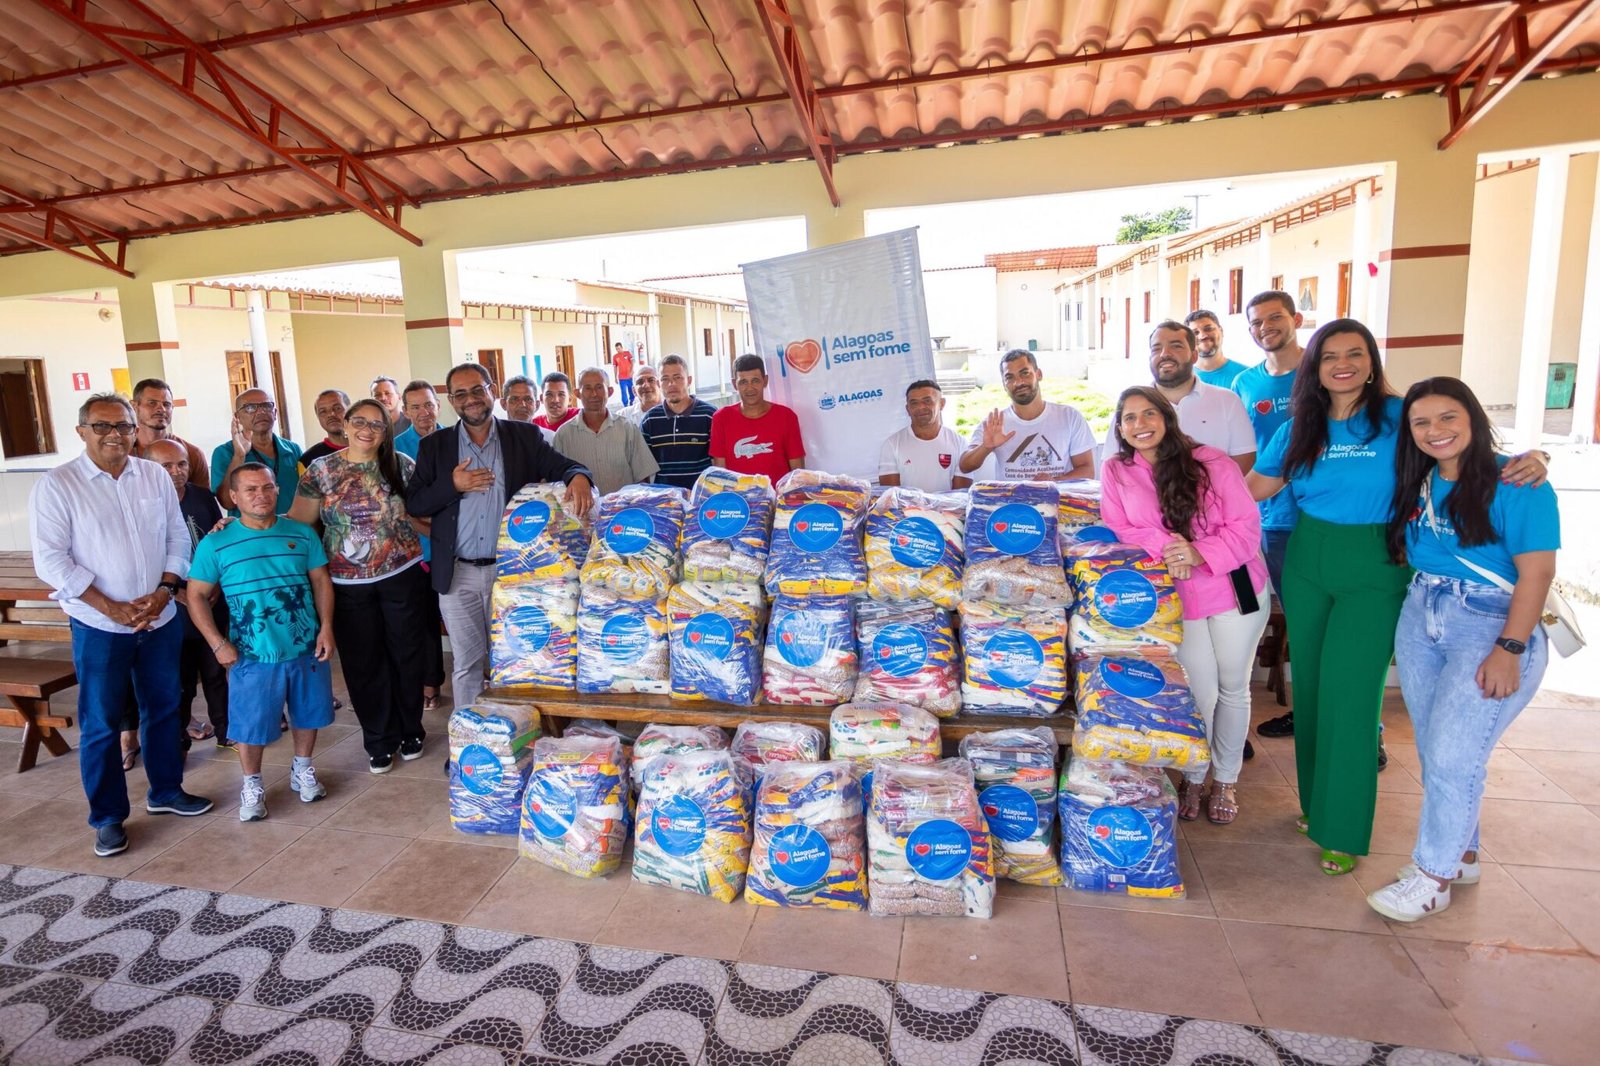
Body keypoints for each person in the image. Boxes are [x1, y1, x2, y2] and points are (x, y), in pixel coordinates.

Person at [1247, 319, 1546, 875]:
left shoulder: (1396, 415)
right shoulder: (1299, 426)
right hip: (1308, 557)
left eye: (1354, 353)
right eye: (1330, 355)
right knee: (1310, 688)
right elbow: (1251, 491)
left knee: (1352, 695)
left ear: (1370, 360)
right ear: (1313, 365)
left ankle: (1345, 829)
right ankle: (1317, 807)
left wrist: (1527, 460)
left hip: (1378, 561)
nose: (1342, 364)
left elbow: (1453, 446)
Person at [1367, 378, 1559, 922]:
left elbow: (1538, 572)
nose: (1436, 431)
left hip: (1489, 622)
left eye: (1449, 417)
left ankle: (1432, 878)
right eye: (1422, 422)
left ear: (1473, 417)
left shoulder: (1517, 483)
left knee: (1455, 755)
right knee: (1436, 750)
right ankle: (1462, 853)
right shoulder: (1419, 481)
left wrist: (1510, 647)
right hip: (1422, 610)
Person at [30, 394, 212, 859]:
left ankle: (166, 791)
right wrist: (108, 606)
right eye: (102, 425)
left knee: (165, 707)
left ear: (135, 431)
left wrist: (165, 590)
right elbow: (51, 560)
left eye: (123, 426)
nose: (114, 434)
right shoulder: (58, 485)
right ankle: (108, 818)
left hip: (159, 618)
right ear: (81, 431)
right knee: (101, 722)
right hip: (98, 625)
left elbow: (177, 536)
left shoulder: (153, 475)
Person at [1101, 387, 1270, 824]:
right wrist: (1168, 545)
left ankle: (1226, 779)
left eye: (1149, 414)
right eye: (1129, 417)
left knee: (1234, 686)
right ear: (1119, 428)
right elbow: (1120, 525)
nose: (1140, 424)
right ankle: (1195, 775)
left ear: (1167, 418)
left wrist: (1198, 551)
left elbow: (1247, 527)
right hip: (1178, 596)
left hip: (1236, 586)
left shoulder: (1211, 461)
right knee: (1200, 691)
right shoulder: (1117, 471)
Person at [406, 363, 595, 711]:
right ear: (451, 401)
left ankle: (514, 740)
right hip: (458, 575)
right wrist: (453, 485)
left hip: (516, 576)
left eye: (478, 390)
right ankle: (469, 746)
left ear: (492, 391)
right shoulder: (436, 446)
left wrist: (578, 477)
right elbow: (415, 501)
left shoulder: (522, 437)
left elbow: (564, 465)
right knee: (467, 665)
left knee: (520, 659)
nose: (471, 399)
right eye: (461, 393)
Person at [186, 463, 336, 820]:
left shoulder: (301, 534)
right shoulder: (216, 542)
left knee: (308, 713)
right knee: (250, 724)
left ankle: (302, 770)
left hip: (305, 646)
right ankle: (252, 784)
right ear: (234, 497)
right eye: (250, 490)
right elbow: (195, 596)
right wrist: (217, 643)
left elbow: (321, 582)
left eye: (267, 487)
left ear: (277, 490)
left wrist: (326, 627)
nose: (261, 495)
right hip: (251, 653)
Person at [291, 399, 430, 774]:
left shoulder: (402, 465)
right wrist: (239, 526)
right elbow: (299, 526)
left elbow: (422, 516)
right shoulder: (321, 470)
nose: (367, 429)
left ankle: (410, 730)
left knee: (405, 656)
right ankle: (379, 739)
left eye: (377, 424)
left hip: (402, 574)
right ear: (347, 424)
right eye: (359, 421)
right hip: (346, 583)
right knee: (363, 663)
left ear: (387, 431)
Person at [1231, 291, 1304, 741]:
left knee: (1324, 622)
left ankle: (1362, 726)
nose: (1265, 327)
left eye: (1275, 318)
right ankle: (1300, 709)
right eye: (1257, 322)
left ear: (1295, 319)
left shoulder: (1320, 377)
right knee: (1268, 614)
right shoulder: (1245, 384)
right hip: (1262, 522)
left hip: (1319, 521)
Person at [145, 439, 231, 750]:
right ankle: (179, 738)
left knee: (216, 670)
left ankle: (226, 730)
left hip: (211, 598)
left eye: (181, 464)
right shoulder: (144, 503)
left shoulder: (203, 496)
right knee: (180, 680)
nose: (176, 471)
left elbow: (215, 542)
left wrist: (216, 583)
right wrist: (179, 593)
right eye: (166, 466)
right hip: (173, 604)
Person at [1102, 322, 1255, 474]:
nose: (1165, 354)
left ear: (1194, 355)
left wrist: (1202, 496)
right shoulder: (1131, 407)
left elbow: (1243, 462)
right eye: (1156, 348)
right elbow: (1113, 467)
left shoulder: (1227, 401)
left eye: (1176, 346)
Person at [959, 348, 1095, 481]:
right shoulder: (995, 424)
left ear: (1039, 374)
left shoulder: (1069, 417)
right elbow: (965, 466)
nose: (1018, 382)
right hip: (1012, 503)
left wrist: (1055, 481)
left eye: (1025, 373)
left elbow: (1087, 470)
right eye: (1009, 377)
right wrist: (986, 447)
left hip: (1057, 502)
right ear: (1004, 384)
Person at [392, 379, 446, 711]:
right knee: (425, 620)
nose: (423, 412)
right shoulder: (396, 448)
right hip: (418, 549)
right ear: (405, 410)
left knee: (462, 615)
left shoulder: (457, 437)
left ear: (438, 405)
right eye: (415, 407)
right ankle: (431, 682)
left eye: (428, 405)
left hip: (457, 543)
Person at [552, 367, 660, 495]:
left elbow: (643, 477)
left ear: (609, 391)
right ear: (577, 393)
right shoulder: (563, 435)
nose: (594, 394)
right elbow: (556, 481)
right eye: (587, 388)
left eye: (599, 387)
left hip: (623, 511)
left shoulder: (628, 429)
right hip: (579, 512)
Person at [709, 354, 805, 484]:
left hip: (778, 500)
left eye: (755, 380)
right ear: (734, 384)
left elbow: (798, 472)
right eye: (743, 382)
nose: (750, 388)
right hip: (739, 500)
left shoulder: (786, 417)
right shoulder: (721, 418)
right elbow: (721, 473)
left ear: (765, 381)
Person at [211, 388, 303, 515]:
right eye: (250, 408)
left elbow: (307, 495)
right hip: (250, 533)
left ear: (275, 413)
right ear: (237, 417)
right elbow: (227, 502)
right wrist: (239, 456)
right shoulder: (224, 453)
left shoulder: (293, 450)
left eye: (266, 406)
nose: (260, 412)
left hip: (290, 529)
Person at [878, 380, 973, 492]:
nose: (921, 407)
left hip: (947, 509)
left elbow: (959, 495)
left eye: (927, 401)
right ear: (907, 409)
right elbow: (891, 495)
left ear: (942, 404)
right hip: (907, 509)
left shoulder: (960, 443)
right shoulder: (892, 444)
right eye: (914, 403)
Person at [640, 354, 717, 489]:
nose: (672, 384)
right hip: (664, 501)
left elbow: (718, 463)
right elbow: (643, 468)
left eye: (678, 377)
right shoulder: (650, 420)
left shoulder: (709, 415)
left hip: (702, 498)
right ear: (658, 383)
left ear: (689, 380)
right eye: (665, 379)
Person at [129, 378, 207, 488]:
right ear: (134, 406)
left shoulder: (192, 453)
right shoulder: (123, 454)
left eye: (166, 404)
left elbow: (202, 501)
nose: (161, 409)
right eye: (152, 403)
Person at [1186, 310, 1246, 388]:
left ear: (1221, 330)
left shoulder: (1246, 376)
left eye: (1208, 328)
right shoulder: (1180, 379)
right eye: (1195, 333)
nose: (1203, 336)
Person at [300, 389, 350, 467]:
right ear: (318, 417)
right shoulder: (309, 460)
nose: (331, 414)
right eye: (323, 411)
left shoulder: (370, 447)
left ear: (350, 411)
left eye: (337, 408)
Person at [613, 342, 636, 406]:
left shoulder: (627, 353)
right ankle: (625, 404)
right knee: (623, 392)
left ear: (622, 347)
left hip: (629, 376)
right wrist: (615, 377)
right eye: (617, 349)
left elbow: (632, 362)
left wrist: (631, 371)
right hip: (621, 378)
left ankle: (632, 402)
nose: (618, 350)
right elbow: (615, 367)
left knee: (631, 390)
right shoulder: (615, 357)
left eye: (619, 348)